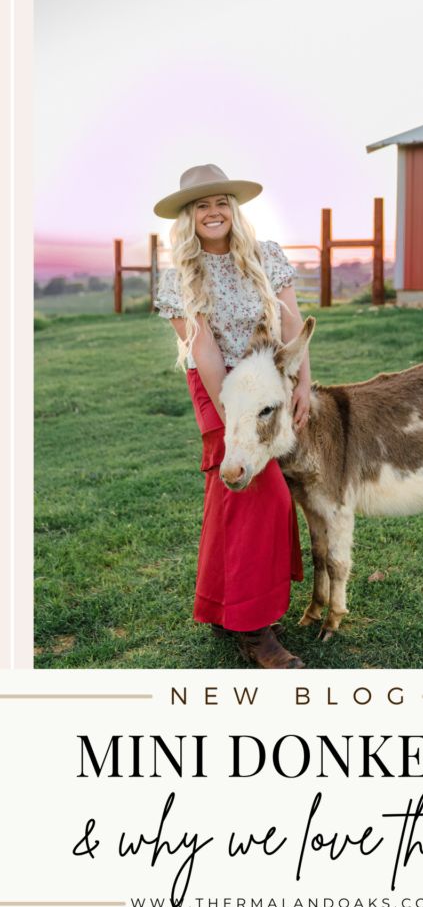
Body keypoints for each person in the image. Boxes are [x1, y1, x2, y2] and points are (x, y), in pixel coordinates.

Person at [153, 163, 311, 669]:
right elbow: (203, 351)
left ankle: (224, 605)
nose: (213, 211)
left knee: (230, 499)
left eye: (221, 201)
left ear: (234, 208)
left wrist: (301, 383)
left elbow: (290, 321)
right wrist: (236, 416)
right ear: (188, 216)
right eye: (202, 205)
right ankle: (252, 628)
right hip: (219, 388)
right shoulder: (180, 275)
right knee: (257, 494)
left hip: (268, 380)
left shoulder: (266, 256)